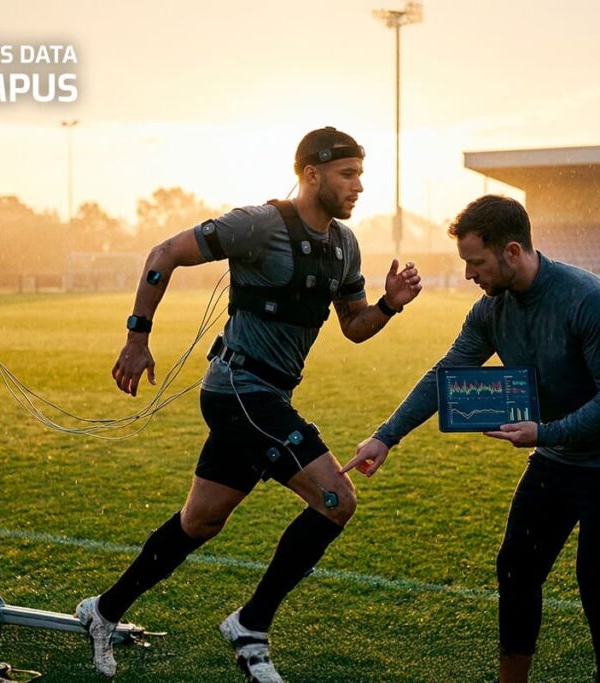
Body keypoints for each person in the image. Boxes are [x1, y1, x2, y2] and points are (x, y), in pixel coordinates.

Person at [75, 126, 422, 681]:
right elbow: (165, 253)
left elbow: (354, 326)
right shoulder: (260, 224)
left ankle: (103, 610)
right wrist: (137, 338)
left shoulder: (344, 244)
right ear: (311, 174)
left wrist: (389, 304)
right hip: (238, 390)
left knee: (201, 521)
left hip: (267, 397)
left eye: (361, 174)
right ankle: (251, 626)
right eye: (347, 174)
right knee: (336, 500)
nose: (359, 186)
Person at [343, 195, 600, 683]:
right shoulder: (491, 309)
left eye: (476, 262)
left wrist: (544, 432)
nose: (469, 275)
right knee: (516, 569)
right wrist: (386, 437)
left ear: (512, 252)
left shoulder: (587, 300)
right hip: (556, 455)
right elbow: (448, 374)